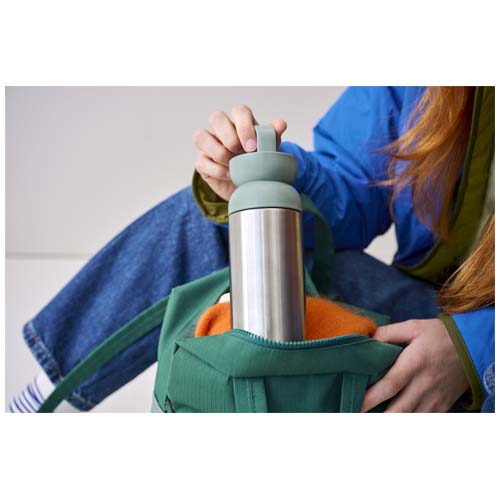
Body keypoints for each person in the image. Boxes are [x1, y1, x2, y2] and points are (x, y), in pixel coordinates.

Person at [10, 86, 494, 413]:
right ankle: (44, 402)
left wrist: (475, 348)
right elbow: (355, 187)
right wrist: (273, 173)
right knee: (228, 222)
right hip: (426, 308)